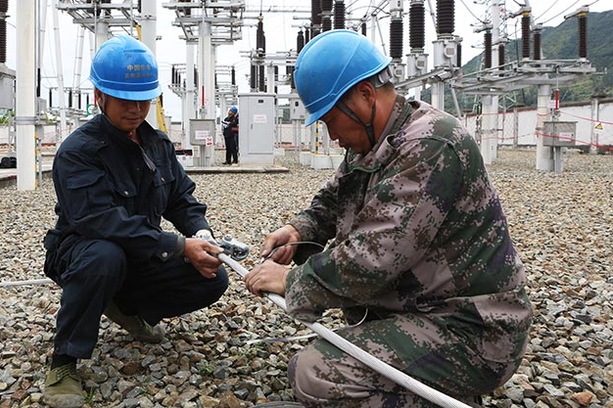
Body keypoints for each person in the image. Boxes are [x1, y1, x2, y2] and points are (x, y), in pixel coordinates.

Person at [243, 30, 532, 407]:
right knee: (312, 366)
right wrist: (299, 229)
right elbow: (334, 198)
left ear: (364, 96)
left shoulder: (429, 144)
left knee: (315, 373)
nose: (332, 136)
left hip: (472, 329)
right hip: (422, 313)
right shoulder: (377, 141)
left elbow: (373, 257)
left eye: (331, 120)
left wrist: (294, 281)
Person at [42, 35, 229, 408]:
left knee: (212, 276)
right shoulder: (78, 152)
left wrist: (200, 234)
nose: (136, 109)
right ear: (100, 96)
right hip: (83, 251)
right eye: (125, 100)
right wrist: (178, 246)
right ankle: (64, 362)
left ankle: (127, 308)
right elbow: (99, 221)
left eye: (144, 99)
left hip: (141, 250)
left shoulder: (156, 144)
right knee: (104, 257)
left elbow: (180, 198)